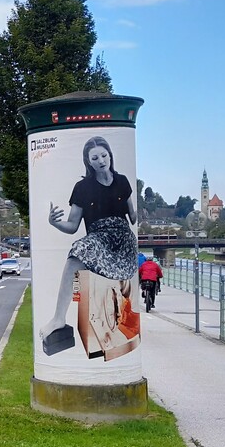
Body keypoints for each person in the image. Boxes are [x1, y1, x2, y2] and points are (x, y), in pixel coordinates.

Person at [40, 136, 137, 353]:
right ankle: (59, 318)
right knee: (77, 252)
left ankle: (116, 329)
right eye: (95, 158)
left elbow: (133, 216)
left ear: (110, 155)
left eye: (104, 155)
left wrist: (141, 213)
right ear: (88, 161)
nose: (101, 161)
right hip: (98, 237)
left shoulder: (122, 181)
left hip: (123, 239)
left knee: (86, 255)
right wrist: (55, 223)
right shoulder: (82, 187)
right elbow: (72, 225)